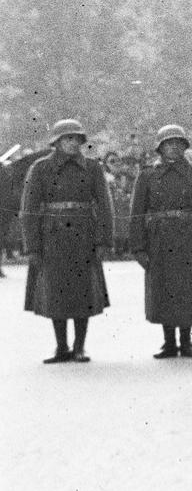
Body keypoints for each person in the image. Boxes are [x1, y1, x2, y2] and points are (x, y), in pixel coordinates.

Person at [22, 119, 113, 363]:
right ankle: (61, 346)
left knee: (84, 292)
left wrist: (104, 240)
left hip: (84, 236)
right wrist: (31, 246)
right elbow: (28, 209)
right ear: (57, 142)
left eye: (76, 139)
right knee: (55, 292)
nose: (72, 143)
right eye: (67, 139)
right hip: (52, 237)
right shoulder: (40, 168)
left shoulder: (93, 168)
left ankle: (79, 346)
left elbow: (104, 206)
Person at [129, 124, 192, 359]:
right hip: (159, 239)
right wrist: (138, 247)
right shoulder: (147, 175)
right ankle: (168, 342)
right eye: (168, 143)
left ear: (185, 147)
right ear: (160, 148)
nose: (173, 147)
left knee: (188, 289)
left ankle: (186, 342)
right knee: (163, 290)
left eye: (178, 143)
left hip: (189, 237)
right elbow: (137, 213)